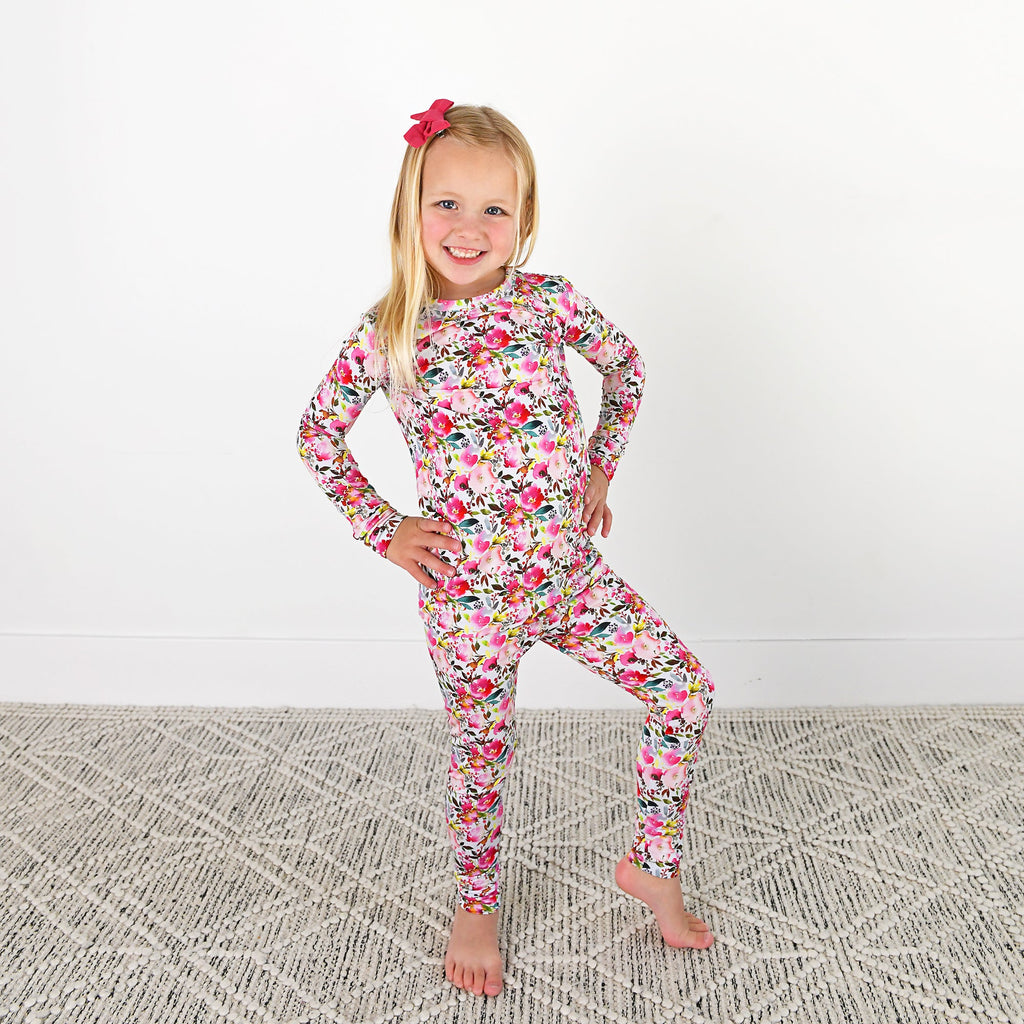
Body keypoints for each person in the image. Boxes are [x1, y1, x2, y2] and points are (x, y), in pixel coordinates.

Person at [296, 99, 716, 999]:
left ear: (524, 220)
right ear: (411, 209)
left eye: (495, 209)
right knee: (482, 756)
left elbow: (626, 366)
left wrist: (599, 467)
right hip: (468, 601)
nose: (470, 228)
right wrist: (385, 528)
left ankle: (652, 862)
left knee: (683, 688)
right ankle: (476, 905)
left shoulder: (549, 303)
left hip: (568, 578)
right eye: (447, 204)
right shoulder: (390, 332)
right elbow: (316, 436)